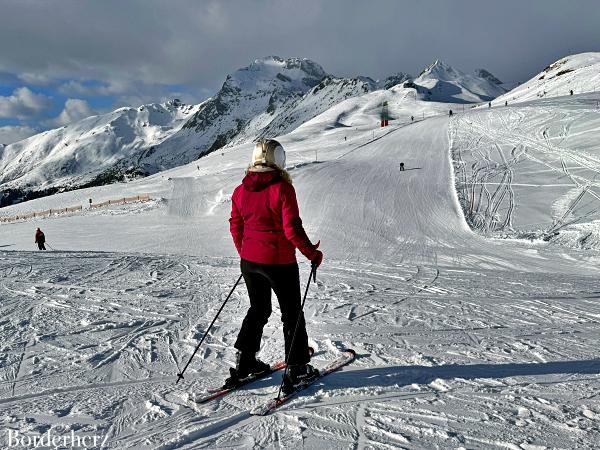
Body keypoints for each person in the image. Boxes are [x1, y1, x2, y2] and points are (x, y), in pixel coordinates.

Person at [227, 139, 323, 393]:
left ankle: (245, 363)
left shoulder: (240, 190)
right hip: (279, 262)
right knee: (292, 313)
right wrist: (312, 253)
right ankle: (298, 367)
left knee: (258, 308)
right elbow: (292, 229)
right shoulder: (282, 189)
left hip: (249, 262)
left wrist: (246, 251)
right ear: (277, 159)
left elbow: (236, 224)